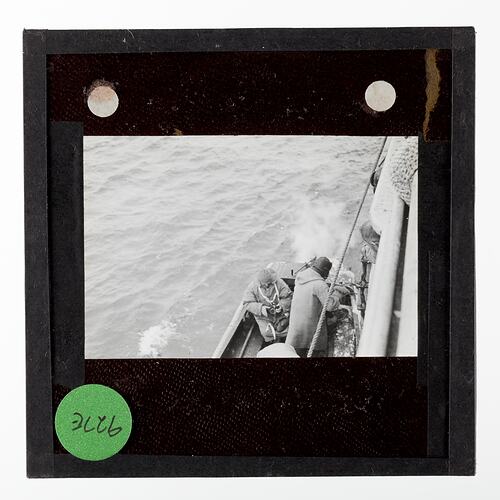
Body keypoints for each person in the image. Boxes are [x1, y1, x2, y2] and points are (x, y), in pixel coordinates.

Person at [286, 256, 347, 357]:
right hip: (309, 325)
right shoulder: (320, 285)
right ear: (324, 271)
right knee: (316, 345)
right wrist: (337, 295)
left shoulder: (300, 277)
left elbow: (311, 294)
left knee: (296, 348)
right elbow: (330, 306)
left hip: (295, 324)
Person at [242, 268, 292, 343]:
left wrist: (282, 306)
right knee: (267, 332)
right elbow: (247, 303)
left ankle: (285, 338)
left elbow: (288, 296)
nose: (271, 283)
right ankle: (273, 341)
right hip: (263, 316)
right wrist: (263, 309)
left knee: (288, 327)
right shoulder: (252, 288)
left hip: (281, 313)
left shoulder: (279, 282)